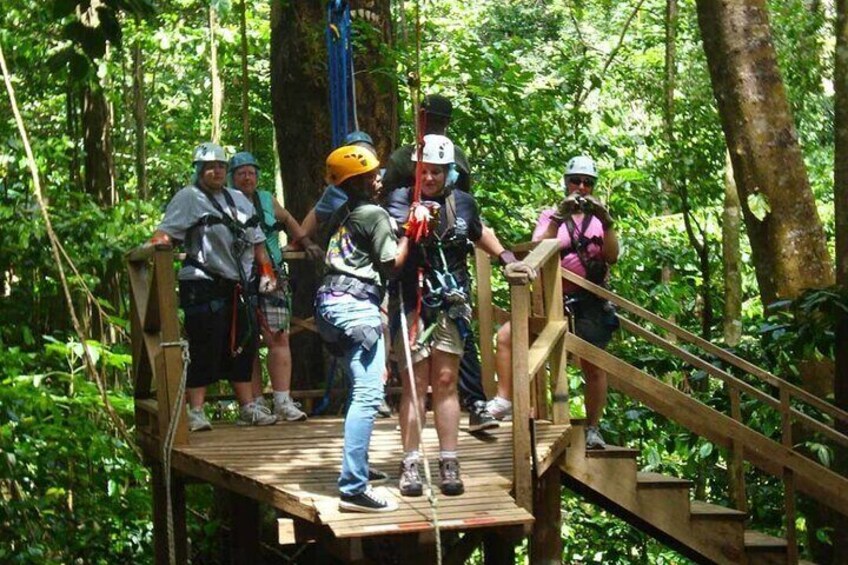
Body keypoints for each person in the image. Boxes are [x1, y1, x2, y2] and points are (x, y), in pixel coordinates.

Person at [386, 135, 535, 497]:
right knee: (416, 385)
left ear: (449, 173)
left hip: (450, 302)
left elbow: (480, 232)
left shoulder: (463, 204)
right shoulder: (400, 200)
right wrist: (411, 224)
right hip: (412, 300)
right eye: (425, 171)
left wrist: (506, 258)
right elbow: (390, 249)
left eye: (437, 172)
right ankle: (410, 461)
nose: (431, 178)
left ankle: (449, 459)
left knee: (447, 379)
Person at [382, 94, 497, 432]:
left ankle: (475, 400)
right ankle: (398, 406)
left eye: (439, 119)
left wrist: (504, 256)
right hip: (413, 261)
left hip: (450, 263)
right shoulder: (404, 159)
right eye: (430, 117)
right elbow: (390, 201)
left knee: (459, 334)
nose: (434, 123)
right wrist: (410, 221)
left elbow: (468, 213)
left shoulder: (454, 156)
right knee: (414, 354)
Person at [488, 155, 619, 450]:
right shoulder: (551, 216)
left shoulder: (600, 221)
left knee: (594, 365)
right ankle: (507, 401)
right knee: (508, 336)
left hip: (590, 299)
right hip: (552, 297)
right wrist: (560, 217)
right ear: (566, 183)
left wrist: (606, 220)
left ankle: (593, 428)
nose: (581, 187)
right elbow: (538, 246)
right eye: (576, 181)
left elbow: (612, 256)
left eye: (588, 182)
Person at [149, 142, 278, 431]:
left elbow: (258, 241)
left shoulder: (238, 199)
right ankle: (196, 411)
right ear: (199, 171)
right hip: (203, 283)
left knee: (242, 345)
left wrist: (267, 270)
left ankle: (247, 407)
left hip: (238, 286)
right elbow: (165, 232)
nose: (216, 171)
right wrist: (155, 248)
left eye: (221, 166)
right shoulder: (189, 198)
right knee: (205, 344)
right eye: (210, 167)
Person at [314, 145, 410, 513]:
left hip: (330, 304)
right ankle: (353, 488)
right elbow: (391, 267)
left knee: (359, 389)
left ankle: (360, 468)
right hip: (355, 309)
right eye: (372, 175)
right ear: (362, 181)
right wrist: (411, 234)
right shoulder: (374, 213)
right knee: (369, 396)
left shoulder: (343, 212)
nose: (378, 178)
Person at [300, 131, 393, 419]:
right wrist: (304, 241)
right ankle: (373, 393)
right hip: (357, 291)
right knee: (372, 338)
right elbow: (390, 262)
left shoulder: (357, 198)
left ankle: (376, 386)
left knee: (376, 333)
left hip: (335, 299)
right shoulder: (353, 203)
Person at [228, 151, 319, 422]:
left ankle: (282, 400)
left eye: (251, 173)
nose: (247, 177)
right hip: (238, 278)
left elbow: (289, 220)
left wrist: (305, 243)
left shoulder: (267, 200)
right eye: (241, 173)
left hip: (272, 276)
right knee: (247, 342)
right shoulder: (225, 202)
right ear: (233, 178)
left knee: (278, 336)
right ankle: (254, 403)